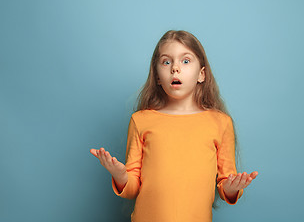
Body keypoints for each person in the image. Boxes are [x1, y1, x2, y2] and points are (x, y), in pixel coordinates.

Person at [90, 30, 258, 222]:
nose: (175, 68)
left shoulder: (220, 122)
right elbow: (132, 187)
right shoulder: (141, 120)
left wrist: (233, 187)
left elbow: (225, 183)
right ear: (158, 77)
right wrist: (120, 176)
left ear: (201, 74)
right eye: (166, 62)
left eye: (185, 61)